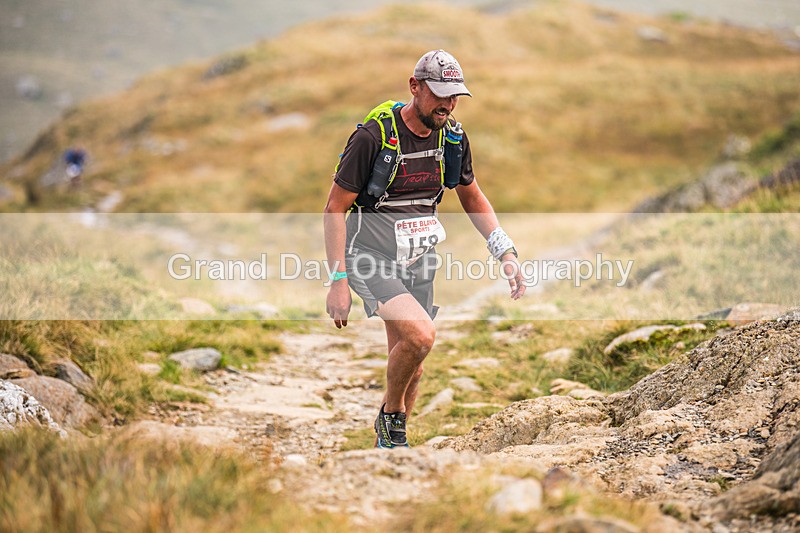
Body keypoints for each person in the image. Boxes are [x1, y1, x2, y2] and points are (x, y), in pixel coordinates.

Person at [324, 50, 525, 449]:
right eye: (439, 94)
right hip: (370, 258)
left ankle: (390, 449)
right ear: (414, 87)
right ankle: (392, 417)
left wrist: (505, 251)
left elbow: (471, 195)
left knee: (412, 362)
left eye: (455, 96)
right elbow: (334, 208)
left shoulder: (452, 138)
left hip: (419, 260)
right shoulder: (372, 138)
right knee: (420, 337)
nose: (447, 104)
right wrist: (338, 280)